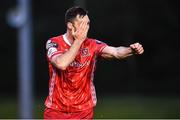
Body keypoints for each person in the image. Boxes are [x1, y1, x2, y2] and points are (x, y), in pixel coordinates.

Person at [44, 6, 144, 119]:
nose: (86, 28)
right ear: (70, 25)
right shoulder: (54, 43)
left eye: (88, 24)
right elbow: (61, 64)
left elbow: (115, 52)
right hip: (56, 111)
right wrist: (79, 41)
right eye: (82, 24)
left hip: (84, 111)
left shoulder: (92, 44)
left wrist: (130, 50)